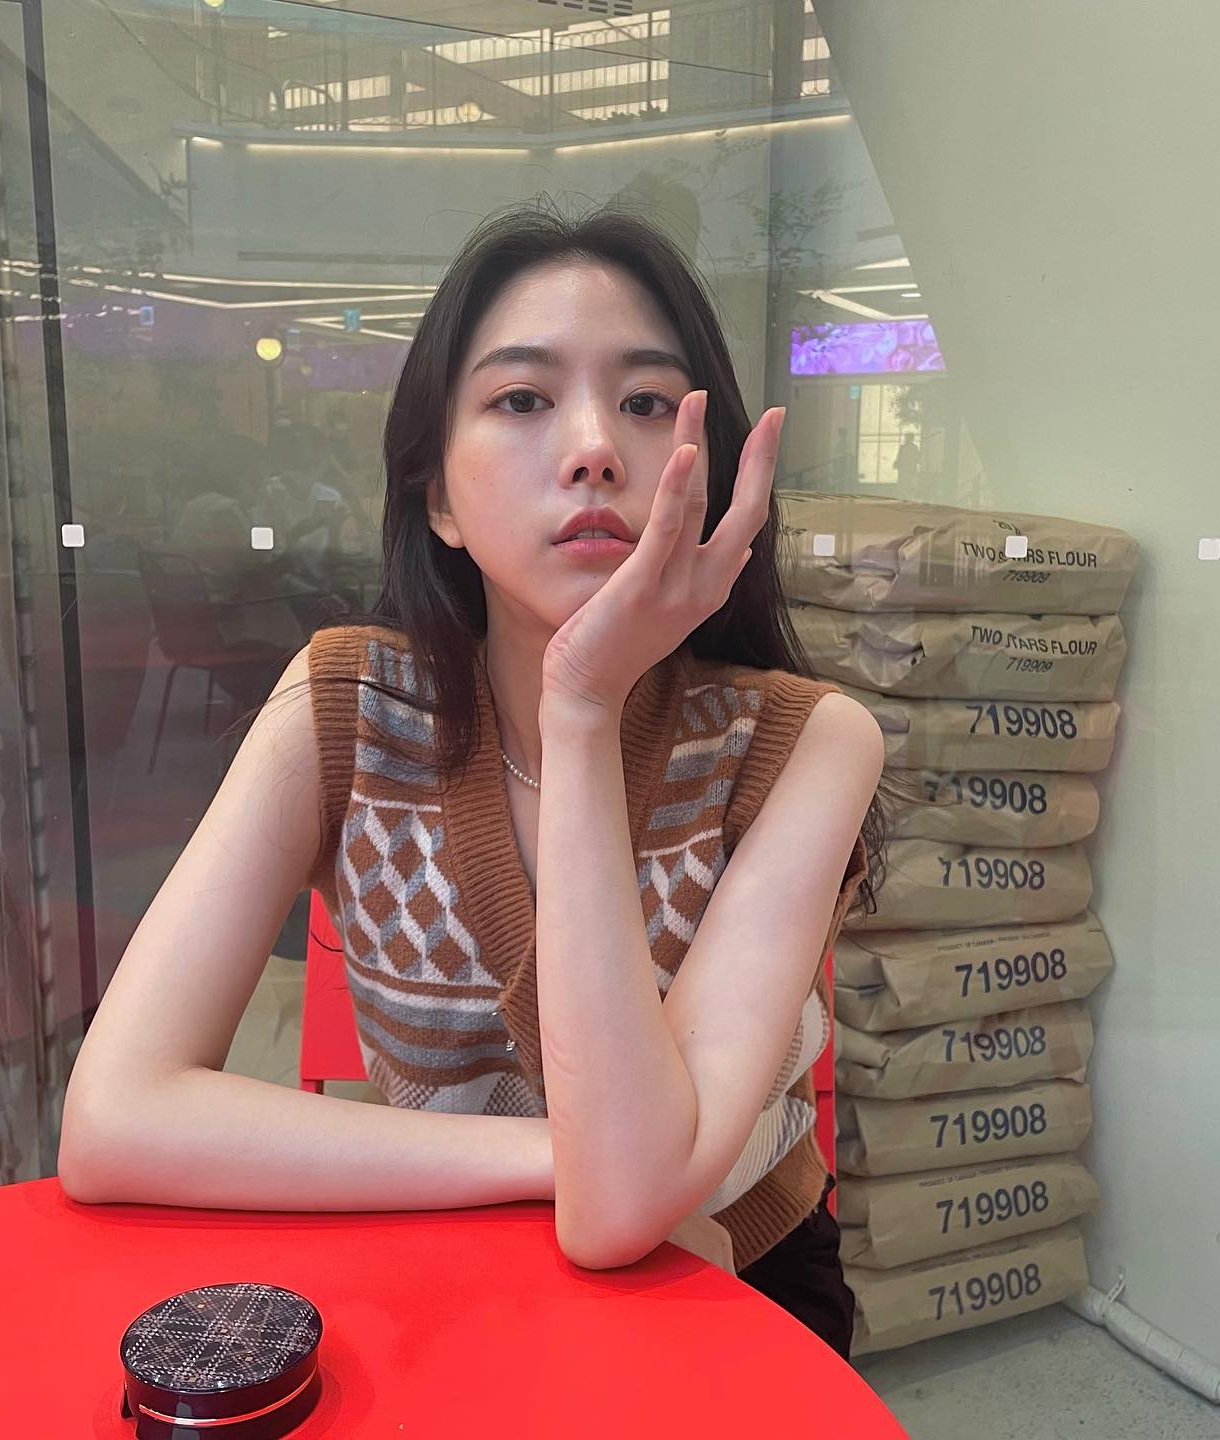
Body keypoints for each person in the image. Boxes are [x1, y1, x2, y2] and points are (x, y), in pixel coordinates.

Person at [58, 199, 890, 1360]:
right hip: (448, 1271)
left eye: (649, 402)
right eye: (522, 399)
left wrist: (583, 707)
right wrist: (565, 1158)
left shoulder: (807, 744)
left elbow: (618, 1218)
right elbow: (112, 1118)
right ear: (438, 497)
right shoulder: (344, 707)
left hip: (737, 1297)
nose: (595, 447)